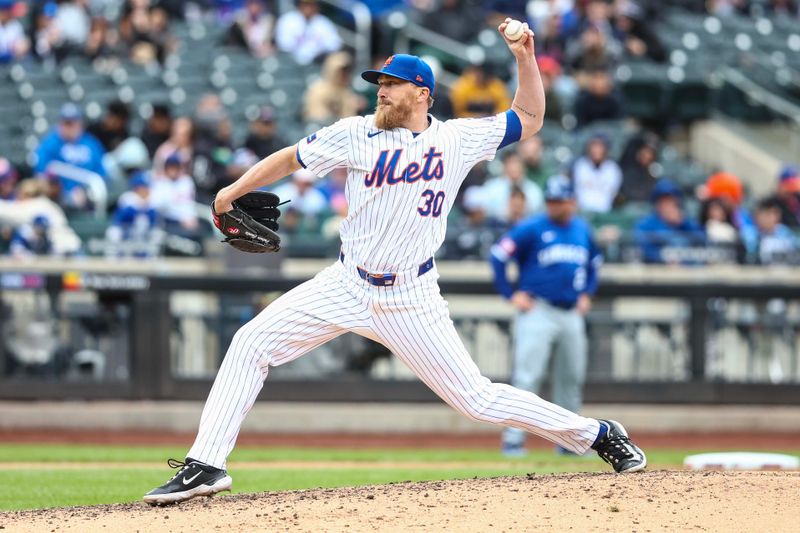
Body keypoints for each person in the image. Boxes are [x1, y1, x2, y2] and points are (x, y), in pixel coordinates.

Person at [144, 22, 646, 505]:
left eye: (392, 84)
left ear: (422, 93)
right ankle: (207, 462)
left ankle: (596, 434)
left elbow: (530, 118)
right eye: (379, 83)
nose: (380, 91)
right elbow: (290, 157)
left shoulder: (455, 139)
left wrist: (524, 57)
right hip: (346, 283)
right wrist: (232, 192)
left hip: (411, 296)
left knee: (476, 400)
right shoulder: (355, 133)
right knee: (251, 341)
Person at [490, 175, 600, 457]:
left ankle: (570, 442)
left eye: (560, 201)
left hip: (571, 312)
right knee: (528, 377)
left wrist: (588, 292)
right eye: (551, 200)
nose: (554, 206)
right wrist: (510, 293)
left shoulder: (582, 230)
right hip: (538, 310)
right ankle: (513, 440)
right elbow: (499, 255)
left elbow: (595, 264)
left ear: (572, 202)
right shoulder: (532, 227)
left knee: (571, 378)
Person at [634, 179, 705, 264]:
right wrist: (663, 258)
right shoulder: (646, 224)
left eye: (671, 200)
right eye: (663, 200)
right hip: (658, 271)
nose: (668, 204)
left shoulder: (686, 221)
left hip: (688, 270)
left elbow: (702, 240)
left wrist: (682, 223)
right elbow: (643, 248)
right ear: (656, 203)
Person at [303, 51, 365, 123]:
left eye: (347, 70)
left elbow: (350, 120)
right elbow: (317, 118)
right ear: (332, 70)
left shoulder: (347, 92)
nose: (344, 74)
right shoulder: (318, 90)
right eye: (341, 71)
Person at [274, 0, 342, 65]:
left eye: (312, 5)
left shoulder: (323, 23)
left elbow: (334, 45)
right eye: (305, 4)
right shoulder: (288, 20)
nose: (308, 8)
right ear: (299, 5)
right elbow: (284, 45)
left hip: (317, 63)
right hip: (291, 63)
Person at [482, 151, 544, 222]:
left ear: (524, 166)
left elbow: (538, 215)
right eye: (510, 163)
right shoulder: (491, 188)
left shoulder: (534, 190)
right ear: (504, 165)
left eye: (518, 162)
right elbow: (485, 214)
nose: (514, 166)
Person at [570, 133, 622, 214]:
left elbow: (614, 195)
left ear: (606, 148)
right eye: (594, 146)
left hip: (605, 213)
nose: (596, 150)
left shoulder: (613, 168)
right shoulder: (580, 165)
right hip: (582, 212)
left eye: (600, 146)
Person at [754, 196, 798, 265]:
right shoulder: (751, 235)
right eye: (767, 214)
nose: (772, 218)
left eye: (775, 214)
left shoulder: (786, 234)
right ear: (758, 215)